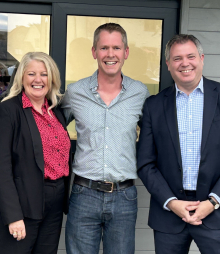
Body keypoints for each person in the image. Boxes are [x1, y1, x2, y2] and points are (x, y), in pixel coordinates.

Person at [137, 34, 220, 254]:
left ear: (201, 58)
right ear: (168, 64)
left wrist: (213, 201)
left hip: (217, 211)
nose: (185, 63)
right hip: (170, 215)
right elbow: (145, 163)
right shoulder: (154, 105)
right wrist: (171, 202)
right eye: (177, 58)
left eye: (190, 56)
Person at [62, 23, 150, 254]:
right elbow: (51, 128)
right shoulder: (75, 92)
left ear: (126, 52)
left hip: (124, 197)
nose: (110, 54)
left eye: (116, 48)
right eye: (104, 48)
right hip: (84, 195)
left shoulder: (140, 94)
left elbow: (156, 139)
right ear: (94, 52)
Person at [0, 52, 71, 254]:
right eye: (31, 74)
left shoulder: (55, 112)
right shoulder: (6, 111)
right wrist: (13, 216)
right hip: (21, 204)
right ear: (22, 77)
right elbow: (0, 169)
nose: (38, 80)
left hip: (54, 203)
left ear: (52, 78)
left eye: (44, 74)